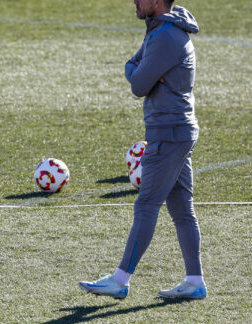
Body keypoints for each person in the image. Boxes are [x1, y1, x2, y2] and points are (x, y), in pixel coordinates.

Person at [79, 0, 206, 299]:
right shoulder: (160, 30)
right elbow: (133, 68)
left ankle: (120, 280)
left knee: (147, 204)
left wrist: (143, 73)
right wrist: (142, 73)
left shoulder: (165, 37)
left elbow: (137, 84)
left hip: (169, 133)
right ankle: (194, 281)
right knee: (181, 210)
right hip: (176, 131)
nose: (134, 1)